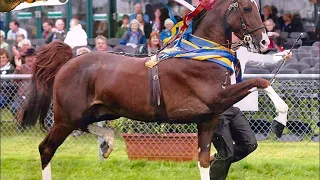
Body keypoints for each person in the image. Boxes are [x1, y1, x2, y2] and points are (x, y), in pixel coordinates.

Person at [209, 33, 291, 180]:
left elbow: (265, 60)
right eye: (236, 34)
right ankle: (219, 163)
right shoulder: (213, 52)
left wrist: (282, 55)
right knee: (226, 154)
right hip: (216, 109)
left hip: (233, 108)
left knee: (249, 144)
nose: (240, 38)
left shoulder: (242, 53)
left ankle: (216, 159)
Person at [10, 47, 36, 116]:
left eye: (32, 56)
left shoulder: (39, 68)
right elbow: (14, 81)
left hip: (36, 96)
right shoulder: (21, 67)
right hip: (22, 96)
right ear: (25, 58)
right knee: (14, 108)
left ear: (36, 57)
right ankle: (20, 123)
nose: (30, 58)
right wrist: (18, 68)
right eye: (27, 56)